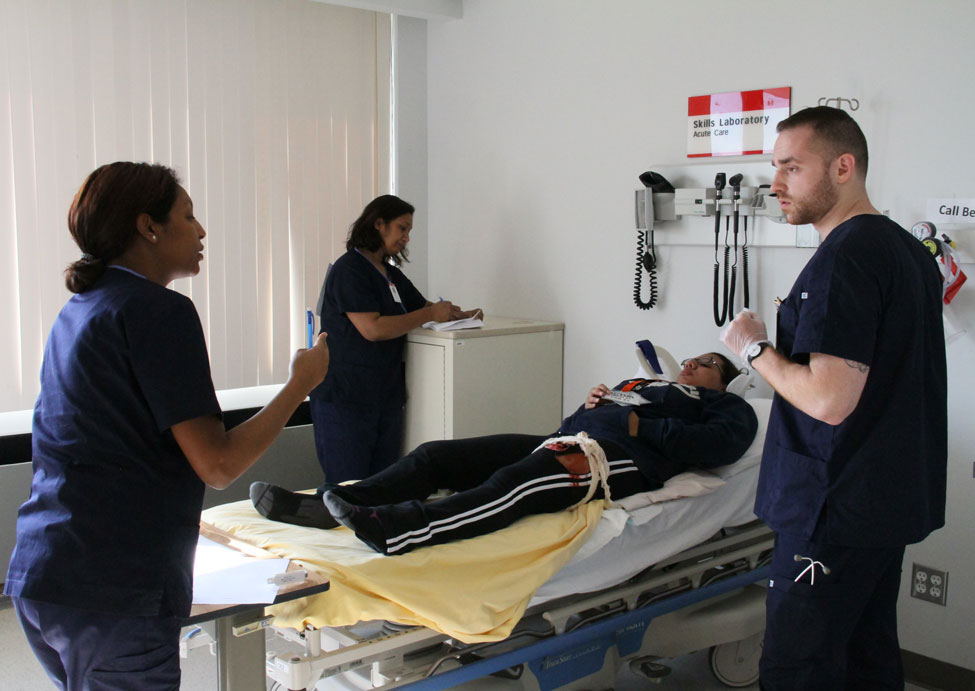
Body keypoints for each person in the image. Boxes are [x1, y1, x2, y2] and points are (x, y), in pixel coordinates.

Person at [3, 162, 329, 690]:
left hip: (46, 574)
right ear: (147, 227)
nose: (202, 231)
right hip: (114, 592)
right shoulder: (159, 312)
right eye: (188, 216)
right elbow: (218, 464)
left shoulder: (82, 309)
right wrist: (299, 386)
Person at [720, 107, 947, 690]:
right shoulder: (906, 253)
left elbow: (828, 400)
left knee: (799, 669)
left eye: (792, 168)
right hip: (881, 503)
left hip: (831, 509)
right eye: (776, 168)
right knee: (867, 661)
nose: (776, 184)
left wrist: (752, 349)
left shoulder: (843, 259)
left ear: (843, 167)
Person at [252, 352, 758, 556]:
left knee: (521, 483)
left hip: (619, 460)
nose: (693, 363)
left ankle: (400, 528)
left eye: (709, 363)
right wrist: (588, 408)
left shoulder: (724, 408)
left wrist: (639, 423)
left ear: (725, 382)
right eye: (693, 357)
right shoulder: (640, 382)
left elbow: (722, 447)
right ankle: (332, 504)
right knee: (436, 456)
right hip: (566, 439)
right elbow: (573, 425)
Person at [309, 194, 480, 489]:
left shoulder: (391, 275)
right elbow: (373, 329)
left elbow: (422, 309)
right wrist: (430, 312)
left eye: (409, 231)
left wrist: (460, 315)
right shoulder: (349, 270)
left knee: (383, 485)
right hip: (346, 399)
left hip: (384, 397)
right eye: (402, 228)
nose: (406, 238)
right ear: (379, 224)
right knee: (348, 487)